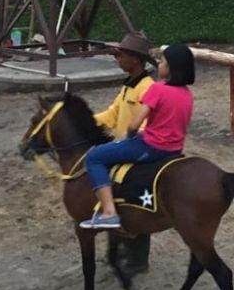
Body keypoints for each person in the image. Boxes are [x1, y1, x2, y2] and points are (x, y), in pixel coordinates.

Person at [80, 43, 196, 230]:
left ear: (170, 67)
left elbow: (135, 124)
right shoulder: (187, 95)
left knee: (95, 157)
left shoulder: (157, 89)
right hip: (175, 149)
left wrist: (130, 136)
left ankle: (110, 212)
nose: (159, 64)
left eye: (163, 61)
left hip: (151, 146)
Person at [94, 32, 156, 271]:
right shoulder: (128, 86)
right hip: (125, 147)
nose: (116, 58)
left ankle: (139, 260)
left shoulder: (147, 89)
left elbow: (145, 126)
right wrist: (84, 121)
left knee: (133, 198)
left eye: (120, 55)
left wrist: (126, 143)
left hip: (137, 149)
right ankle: (121, 248)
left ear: (136, 60)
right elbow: (111, 115)